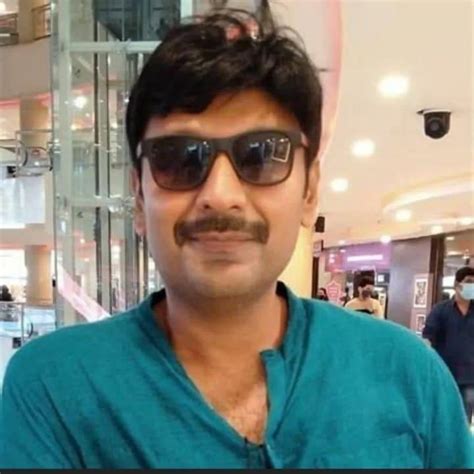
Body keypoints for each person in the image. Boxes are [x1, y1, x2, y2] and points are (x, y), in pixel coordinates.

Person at [1, 9, 472, 469]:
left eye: (262, 155)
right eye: (179, 159)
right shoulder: (54, 388)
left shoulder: (408, 374)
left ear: (309, 191)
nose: (220, 195)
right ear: (140, 199)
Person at [423, 266, 474, 424]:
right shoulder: (440, 310)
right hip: (444, 374)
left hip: (470, 377)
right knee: (441, 418)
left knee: (463, 420)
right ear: (457, 285)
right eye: (469, 282)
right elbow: (427, 339)